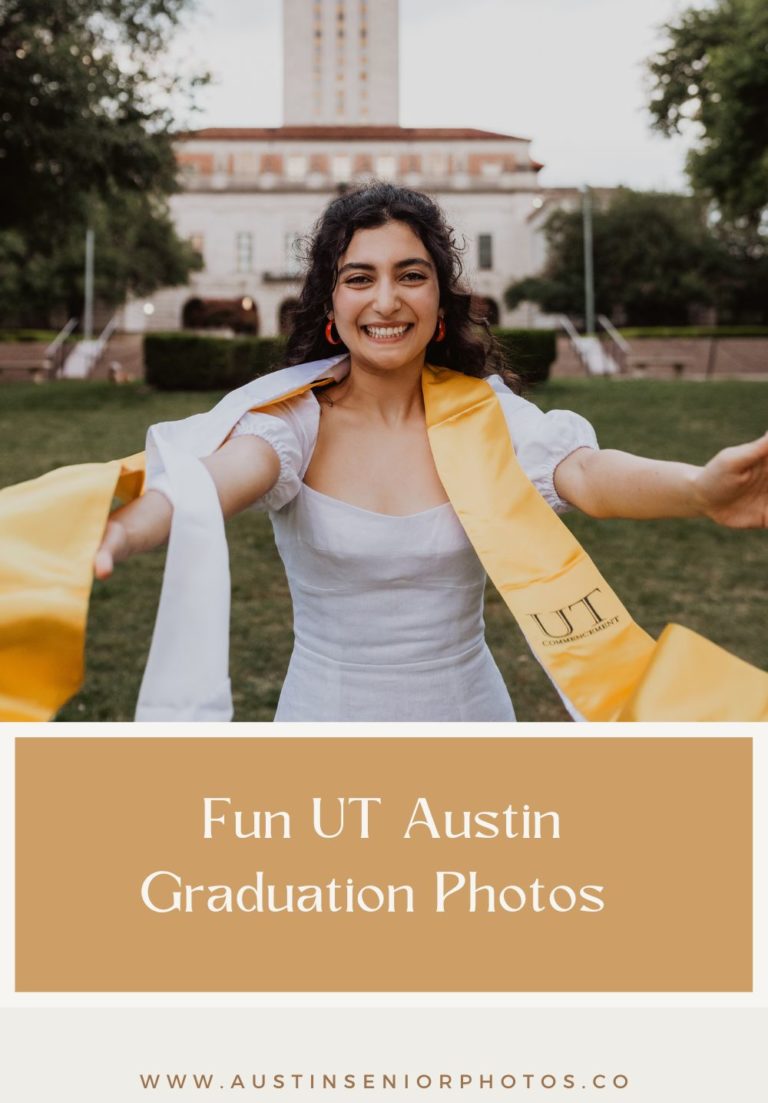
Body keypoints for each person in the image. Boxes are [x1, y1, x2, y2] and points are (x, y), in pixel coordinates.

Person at [20, 183, 768, 722]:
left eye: (412, 275)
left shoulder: (486, 417)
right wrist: (123, 525)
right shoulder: (293, 425)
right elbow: (208, 483)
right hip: (325, 729)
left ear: (441, 304)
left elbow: (588, 475)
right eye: (360, 278)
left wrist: (700, 488)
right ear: (333, 307)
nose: (387, 300)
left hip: (473, 724)